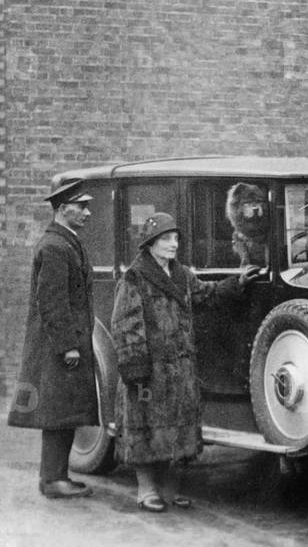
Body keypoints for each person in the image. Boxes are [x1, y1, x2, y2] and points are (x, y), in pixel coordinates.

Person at [111, 212, 261, 512]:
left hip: (180, 370)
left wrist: (238, 283)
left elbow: (207, 295)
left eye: (175, 238)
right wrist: (136, 368)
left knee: (178, 429)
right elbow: (125, 325)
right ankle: (146, 490)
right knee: (144, 428)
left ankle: (169, 489)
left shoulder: (181, 274)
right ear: (150, 243)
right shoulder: (135, 277)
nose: (173, 244)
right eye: (166, 239)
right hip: (148, 370)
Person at [8, 178, 98, 499]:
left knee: (64, 411)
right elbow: (52, 302)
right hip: (59, 349)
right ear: (62, 209)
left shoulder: (66, 242)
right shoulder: (55, 247)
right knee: (59, 413)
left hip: (65, 346)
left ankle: (56, 477)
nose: (87, 212)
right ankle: (52, 480)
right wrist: (68, 346)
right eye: (81, 206)